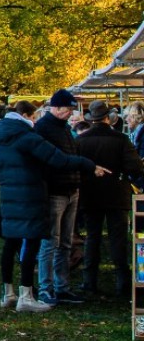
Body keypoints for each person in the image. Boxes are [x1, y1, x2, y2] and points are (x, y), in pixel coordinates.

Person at [0, 99, 107, 314]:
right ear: (25, 117)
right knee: (32, 243)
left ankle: (8, 294)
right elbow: (58, 159)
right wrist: (88, 165)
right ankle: (26, 296)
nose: (35, 121)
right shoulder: (28, 138)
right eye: (33, 117)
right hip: (31, 196)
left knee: (11, 244)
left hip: (9, 198)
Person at [74, 100, 144, 298]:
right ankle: (122, 282)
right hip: (116, 194)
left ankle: (89, 282)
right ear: (108, 119)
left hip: (90, 194)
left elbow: (75, 165)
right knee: (118, 239)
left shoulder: (81, 140)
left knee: (92, 238)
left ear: (92, 120)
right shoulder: (120, 139)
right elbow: (135, 167)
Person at [35, 89, 88, 306]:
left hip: (71, 189)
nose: (70, 113)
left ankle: (61, 286)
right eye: (68, 109)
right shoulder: (44, 129)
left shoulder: (64, 129)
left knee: (65, 242)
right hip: (55, 192)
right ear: (56, 108)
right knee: (50, 241)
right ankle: (46, 288)